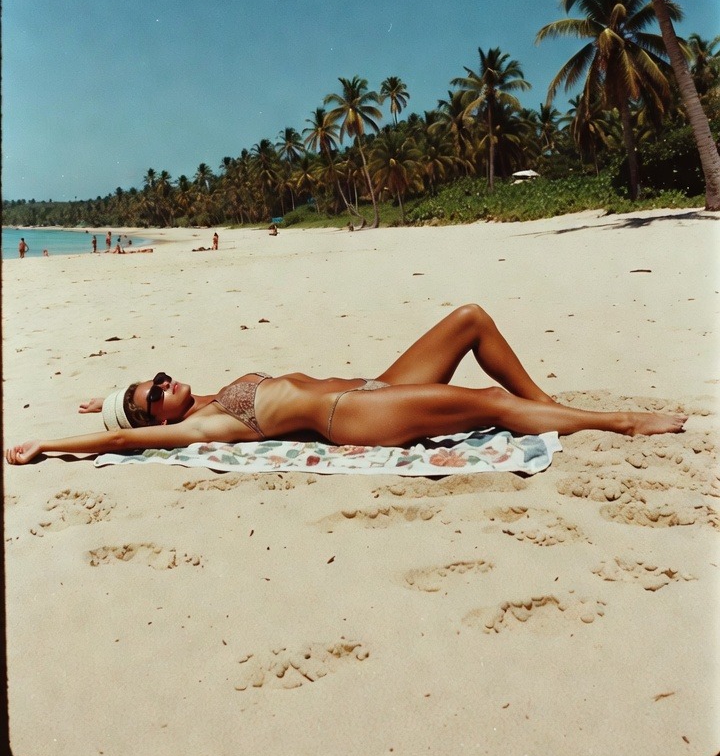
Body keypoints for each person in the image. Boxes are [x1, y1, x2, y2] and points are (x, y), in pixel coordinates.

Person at [5, 304, 687, 466]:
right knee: (489, 405)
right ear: (160, 421)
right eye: (152, 396)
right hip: (350, 416)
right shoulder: (200, 427)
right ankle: (618, 422)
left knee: (470, 320)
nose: (161, 384)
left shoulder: (212, 394)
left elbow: (123, 415)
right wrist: (52, 444)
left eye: (152, 379)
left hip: (374, 386)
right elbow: (118, 445)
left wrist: (108, 395)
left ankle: (548, 408)